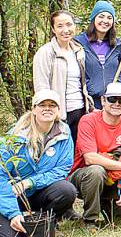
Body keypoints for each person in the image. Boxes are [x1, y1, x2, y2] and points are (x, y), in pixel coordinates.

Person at [0, 90, 77, 237]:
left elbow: (62, 169)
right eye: (42, 105)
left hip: (34, 193)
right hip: (7, 196)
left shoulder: (64, 133)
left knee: (66, 190)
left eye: (52, 105)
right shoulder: (15, 137)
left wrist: (29, 182)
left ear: (58, 110)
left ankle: (44, 221)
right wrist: (13, 213)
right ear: (34, 109)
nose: (47, 108)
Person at [68, 83, 121, 229]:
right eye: (112, 99)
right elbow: (90, 158)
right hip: (86, 178)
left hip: (118, 181)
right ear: (103, 101)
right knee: (96, 171)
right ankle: (90, 220)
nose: (116, 103)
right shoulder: (88, 120)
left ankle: (110, 212)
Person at [33, 10, 92, 141]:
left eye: (69, 25)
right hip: (58, 115)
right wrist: (49, 113)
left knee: (77, 153)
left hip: (80, 110)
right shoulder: (46, 53)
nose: (65, 30)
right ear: (53, 29)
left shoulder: (78, 50)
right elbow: (41, 88)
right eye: (60, 26)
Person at [76, 0, 121, 110]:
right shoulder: (79, 43)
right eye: (101, 16)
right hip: (87, 101)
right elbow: (76, 71)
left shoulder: (116, 44)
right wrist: (90, 88)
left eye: (109, 18)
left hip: (111, 102)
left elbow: (120, 70)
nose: (105, 21)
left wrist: (118, 87)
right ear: (93, 19)